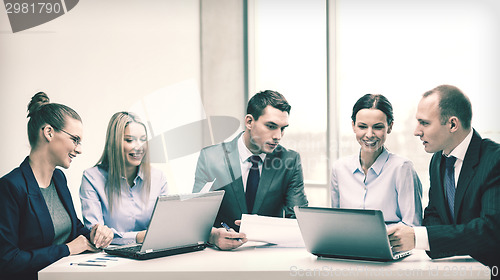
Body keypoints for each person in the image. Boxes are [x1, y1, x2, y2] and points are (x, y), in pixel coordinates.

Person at [0, 92, 113, 280]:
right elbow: (8, 260)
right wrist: (67, 249)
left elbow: (73, 229)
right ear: (49, 132)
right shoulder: (11, 186)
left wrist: (96, 234)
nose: (79, 149)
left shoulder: (59, 178)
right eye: (75, 139)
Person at [388, 85, 500, 270]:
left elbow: (489, 231)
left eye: (424, 123)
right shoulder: (438, 161)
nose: (417, 131)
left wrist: (418, 237)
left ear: (453, 124)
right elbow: (433, 213)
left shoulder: (494, 160)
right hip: (452, 269)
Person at [193, 90, 308, 250]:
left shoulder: (289, 161)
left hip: (269, 256)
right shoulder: (210, 157)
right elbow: (196, 218)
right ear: (249, 122)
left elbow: (300, 222)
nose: (278, 136)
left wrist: (261, 227)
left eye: (282, 128)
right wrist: (213, 236)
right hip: (220, 256)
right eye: (271, 126)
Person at [331, 94, 422, 226]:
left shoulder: (402, 168)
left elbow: (412, 225)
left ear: (389, 127)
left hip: (390, 246)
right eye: (362, 126)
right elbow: (336, 222)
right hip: (348, 245)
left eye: (378, 127)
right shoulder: (339, 168)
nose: (369, 134)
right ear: (353, 126)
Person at [80, 112, 168, 245]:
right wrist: (138, 237)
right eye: (129, 140)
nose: (139, 147)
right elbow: (96, 237)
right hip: (111, 258)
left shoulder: (158, 178)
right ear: (114, 143)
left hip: (152, 252)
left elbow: (164, 228)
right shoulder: (92, 178)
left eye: (143, 139)